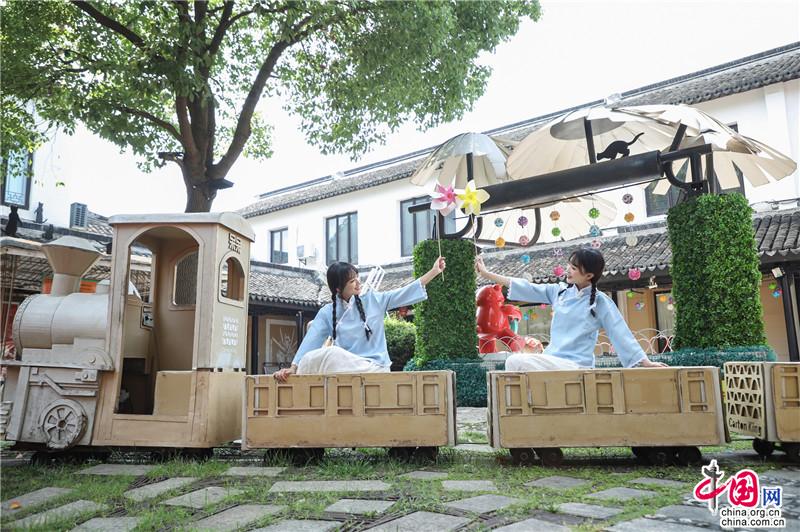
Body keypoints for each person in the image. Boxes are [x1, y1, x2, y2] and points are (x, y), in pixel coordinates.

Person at [475, 248, 666, 371]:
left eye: (574, 268)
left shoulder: (600, 301)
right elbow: (525, 287)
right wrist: (487, 274)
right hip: (552, 360)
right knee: (513, 361)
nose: (568, 270)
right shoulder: (559, 292)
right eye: (569, 266)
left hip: (576, 365)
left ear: (589, 275)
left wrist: (644, 362)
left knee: (516, 362)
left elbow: (620, 332)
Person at [274, 256, 446, 381]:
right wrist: (293, 367)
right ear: (338, 289)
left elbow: (403, 293)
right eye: (352, 281)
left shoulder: (373, 300)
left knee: (332, 353)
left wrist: (434, 272)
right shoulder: (327, 312)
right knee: (310, 358)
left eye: (357, 278)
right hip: (345, 368)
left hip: (375, 367)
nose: (358, 283)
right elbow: (311, 340)